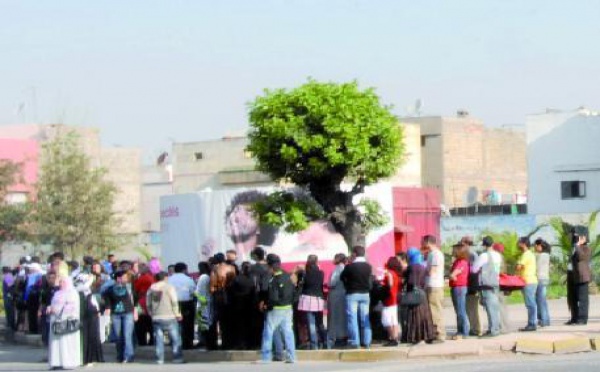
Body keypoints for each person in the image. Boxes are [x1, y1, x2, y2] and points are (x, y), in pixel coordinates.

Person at [259, 254, 296, 363]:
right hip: (288, 308)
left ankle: (266, 358)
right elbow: (293, 292)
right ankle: (291, 356)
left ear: (270, 266)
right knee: (288, 332)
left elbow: (273, 297)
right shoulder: (288, 275)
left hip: (276, 309)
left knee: (268, 332)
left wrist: (267, 306)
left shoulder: (274, 280)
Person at [147, 271, 184, 364]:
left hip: (156, 316)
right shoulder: (169, 287)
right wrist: (178, 314)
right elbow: (174, 301)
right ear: (165, 278)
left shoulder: (151, 288)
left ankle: (160, 359)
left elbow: (148, 303)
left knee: (158, 339)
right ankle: (177, 358)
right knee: (175, 338)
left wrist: (151, 313)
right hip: (169, 316)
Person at [340, 246, 372, 349]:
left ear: (354, 254)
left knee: (352, 318)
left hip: (352, 293)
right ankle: (367, 341)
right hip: (365, 294)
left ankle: (355, 342)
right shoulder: (368, 266)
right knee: (365, 318)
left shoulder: (350, 267)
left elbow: (342, 277)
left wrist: (347, 283)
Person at [48, 275, 82, 370]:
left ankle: (68, 362)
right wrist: (50, 308)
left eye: (63, 282)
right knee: (56, 342)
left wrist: (58, 310)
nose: (60, 284)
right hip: (55, 320)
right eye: (60, 282)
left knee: (66, 342)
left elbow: (72, 307)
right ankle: (56, 362)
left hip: (67, 321)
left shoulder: (73, 293)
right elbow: (53, 303)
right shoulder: (57, 293)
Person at [104, 270, 137, 363]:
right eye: (120, 277)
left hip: (128, 313)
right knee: (118, 336)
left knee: (127, 335)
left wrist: (135, 311)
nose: (122, 279)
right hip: (116, 314)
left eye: (124, 277)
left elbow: (135, 299)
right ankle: (120, 355)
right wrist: (108, 308)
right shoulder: (110, 288)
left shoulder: (130, 287)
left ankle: (129, 356)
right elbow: (106, 299)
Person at [472, 236, 502, 337]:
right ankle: (494, 328)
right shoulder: (498, 255)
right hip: (495, 282)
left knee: (490, 308)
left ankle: (493, 330)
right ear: (492, 244)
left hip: (487, 284)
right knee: (494, 307)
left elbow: (474, 269)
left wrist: (480, 269)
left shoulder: (484, 256)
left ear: (484, 245)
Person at [404, 248, 435, 344]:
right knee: (424, 315)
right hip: (422, 293)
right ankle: (428, 335)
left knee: (414, 315)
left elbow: (410, 281)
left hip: (413, 294)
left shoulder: (411, 267)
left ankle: (416, 336)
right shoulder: (423, 266)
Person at [74, 273, 104, 367]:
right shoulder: (78, 288)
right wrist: (89, 278)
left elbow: (93, 301)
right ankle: (85, 359)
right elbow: (85, 286)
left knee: (94, 336)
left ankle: (93, 358)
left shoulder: (87, 289)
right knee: (86, 337)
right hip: (84, 315)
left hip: (92, 314)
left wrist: (98, 310)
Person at [297, 254, 326, 350]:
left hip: (308, 299)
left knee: (311, 323)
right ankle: (325, 342)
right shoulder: (321, 273)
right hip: (318, 299)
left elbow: (301, 285)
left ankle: (314, 345)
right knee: (320, 322)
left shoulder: (304, 273)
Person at [422, 235, 445, 343]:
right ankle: (434, 333)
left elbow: (432, 271)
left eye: (423, 241)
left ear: (428, 242)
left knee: (435, 310)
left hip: (435, 285)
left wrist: (423, 270)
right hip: (431, 285)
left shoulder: (436, 254)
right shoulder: (431, 254)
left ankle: (439, 335)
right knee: (431, 311)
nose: (422, 244)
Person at [168, 262, 196, 350]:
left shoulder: (169, 279)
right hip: (186, 303)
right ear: (184, 270)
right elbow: (193, 291)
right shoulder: (188, 279)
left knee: (174, 324)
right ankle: (187, 344)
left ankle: (174, 343)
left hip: (173, 303)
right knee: (187, 325)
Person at [230, 261, 256, 349]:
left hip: (239, 306)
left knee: (240, 326)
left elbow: (231, 292)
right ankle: (251, 344)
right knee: (250, 325)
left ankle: (241, 344)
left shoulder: (237, 279)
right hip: (251, 306)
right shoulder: (253, 279)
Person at [249, 247, 270, 349]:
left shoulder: (253, 268)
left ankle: (257, 343)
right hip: (269, 297)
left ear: (256, 256)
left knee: (257, 322)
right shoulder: (269, 267)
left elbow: (254, 284)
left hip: (257, 297)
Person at [568, 232, 591, 325]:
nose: (576, 240)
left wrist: (578, 245)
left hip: (582, 277)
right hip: (573, 276)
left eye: (579, 238)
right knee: (573, 298)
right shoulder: (574, 248)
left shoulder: (587, 248)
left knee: (582, 299)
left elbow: (581, 257)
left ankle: (582, 319)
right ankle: (574, 317)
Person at [516, 237, 538, 332]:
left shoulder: (526, 254)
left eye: (519, 242)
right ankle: (532, 323)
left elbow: (519, 267)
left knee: (530, 304)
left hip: (528, 281)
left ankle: (532, 324)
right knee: (531, 303)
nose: (517, 244)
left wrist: (517, 265)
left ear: (524, 244)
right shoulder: (529, 254)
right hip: (530, 281)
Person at [449, 242, 470, 340]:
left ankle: (464, 331)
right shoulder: (457, 261)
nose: (452, 251)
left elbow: (453, 275)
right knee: (458, 310)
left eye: (454, 249)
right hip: (456, 287)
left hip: (459, 287)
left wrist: (452, 276)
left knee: (461, 310)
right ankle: (460, 330)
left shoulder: (462, 262)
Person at [327, 253, 347, 348]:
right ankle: (342, 336)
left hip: (336, 295)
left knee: (336, 317)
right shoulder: (344, 268)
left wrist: (327, 284)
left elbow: (332, 282)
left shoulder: (338, 269)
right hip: (342, 294)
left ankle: (339, 337)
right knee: (342, 317)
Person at [463, 237, 482, 337]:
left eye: (462, 243)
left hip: (472, 283)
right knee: (470, 308)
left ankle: (476, 329)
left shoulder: (471, 254)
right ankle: (474, 328)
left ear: (466, 243)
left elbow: (473, 270)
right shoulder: (470, 254)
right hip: (471, 283)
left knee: (472, 308)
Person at [381, 257, 401, 346]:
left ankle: (392, 337)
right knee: (394, 320)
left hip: (389, 298)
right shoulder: (396, 274)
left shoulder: (389, 273)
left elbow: (390, 284)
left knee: (387, 320)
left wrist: (383, 284)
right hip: (395, 298)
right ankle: (396, 338)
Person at [133, 264, 155, 346]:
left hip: (142, 302)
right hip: (150, 303)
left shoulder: (143, 278)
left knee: (140, 323)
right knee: (150, 323)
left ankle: (142, 341)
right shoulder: (152, 277)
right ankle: (152, 340)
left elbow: (135, 290)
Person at [492, 242, 510, 334]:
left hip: (499, 283)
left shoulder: (497, 257)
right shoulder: (502, 257)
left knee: (499, 307)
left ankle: (502, 328)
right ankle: (504, 327)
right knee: (502, 306)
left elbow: (498, 271)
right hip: (502, 284)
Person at [195, 261, 213, 348]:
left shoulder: (203, 277)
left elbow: (197, 292)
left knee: (203, 324)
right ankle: (207, 342)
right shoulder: (209, 276)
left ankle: (204, 342)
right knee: (207, 323)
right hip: (207, 301)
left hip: (202, 302)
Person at [534, 238, 551, 327]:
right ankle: (545, 320)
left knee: (540, 300)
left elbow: (536, 267)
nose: (535, 247)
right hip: (544, 278)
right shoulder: (546, 255)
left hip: (540, 279)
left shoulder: (541, 256)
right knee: (542, 300)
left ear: (540, 246)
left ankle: (543, 320)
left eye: (536, 246)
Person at [2, 266, 16, 331]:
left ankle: (11, 325)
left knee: (9, 310)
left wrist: (10, 294)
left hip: (8, 296)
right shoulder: (8, 276)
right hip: (7, 296)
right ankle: (10, 324)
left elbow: (11, 286)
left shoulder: (8, 276)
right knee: (9, 310)